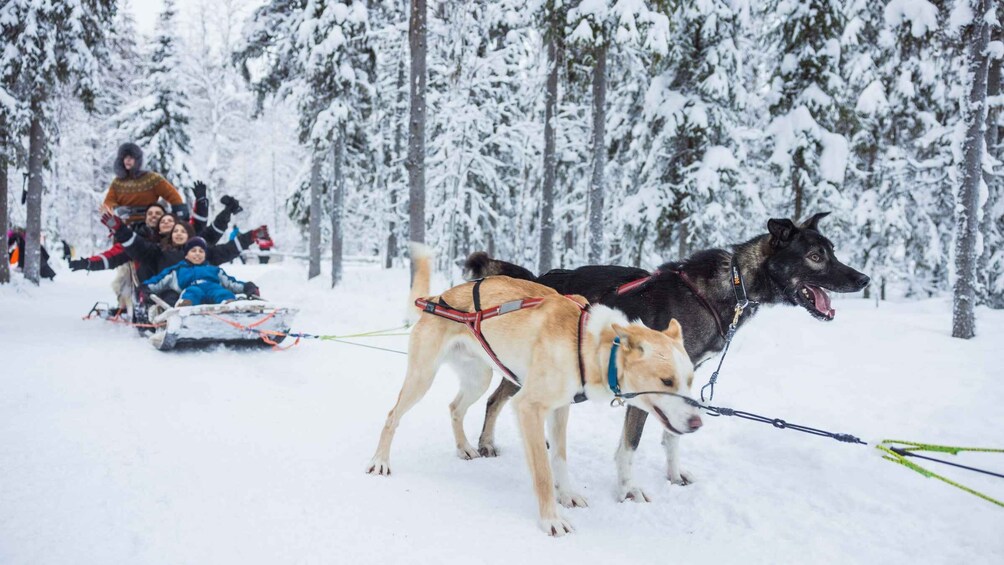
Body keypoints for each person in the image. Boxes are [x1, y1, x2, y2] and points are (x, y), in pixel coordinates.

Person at [142, 237, 259, 307]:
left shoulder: (214, 270)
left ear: (205, 255)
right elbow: (159, 281)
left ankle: (229, 306)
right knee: (192, 292)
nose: (197, 253)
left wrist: (247, 287)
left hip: (212, 288)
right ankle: (185, 308)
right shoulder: (177, 270)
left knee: (222, 292)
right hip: (191, 287)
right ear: (186, 255)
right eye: (193, 251)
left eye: (201, 251)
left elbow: (231, 283)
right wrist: (145, 288)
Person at [102, 142, 189, 223]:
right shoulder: (117, 182)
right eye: (125, 158)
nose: (127, 160)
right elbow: (108, 203)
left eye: (131, 158)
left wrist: (178, 214)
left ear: (138, 161)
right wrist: (117, 209)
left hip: (149, 223)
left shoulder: (152, 178)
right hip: (124, 225)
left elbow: (172, 195)